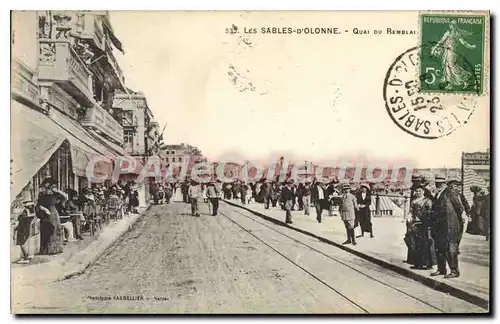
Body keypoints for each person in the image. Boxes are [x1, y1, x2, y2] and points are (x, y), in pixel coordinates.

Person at [430, 176, 465, 278]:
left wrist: (462, 219)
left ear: (445, 183)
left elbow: (459, 207)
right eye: (437, 183)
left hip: (450, 226)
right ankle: (441, 269)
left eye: (440, 183)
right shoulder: (437, 194)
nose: (438, 185)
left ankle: (454, 271)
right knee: (439, 248)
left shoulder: (450, 192)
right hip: (440, 226)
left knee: (451, 248)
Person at [409, 185, 435, 269]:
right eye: (416, 191)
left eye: (420, 191)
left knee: (425, 244)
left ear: (423, 191)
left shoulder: (427, 201)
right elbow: (411, 211)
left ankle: (428, 264)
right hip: (415, 224)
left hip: (424, 224)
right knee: (415, 244)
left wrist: (425, 219)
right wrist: (409, 217)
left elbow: (430, 212)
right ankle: (417, 263)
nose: (418, 193)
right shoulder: (414, 201)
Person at [36, 178, 65, 255]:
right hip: (46, 214)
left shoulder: (54, 194)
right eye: (48, 187)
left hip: (54, 213)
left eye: (50, 187)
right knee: (48, 230)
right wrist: (45, 210)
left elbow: (64, 198)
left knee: (56, 229)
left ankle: (56, 249)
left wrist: (58, 191)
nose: (49, 189)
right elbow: (39, 205)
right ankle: (46, 250)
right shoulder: (42, 195)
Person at [13, 199, 36, 263]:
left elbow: (21, 219)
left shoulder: (25, 211)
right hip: (27, 229)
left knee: (21, 243)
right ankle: (27, 255)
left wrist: (16, 225)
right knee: (25, 243)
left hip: (22, 229)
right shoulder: (32, 212)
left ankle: (25, 257)